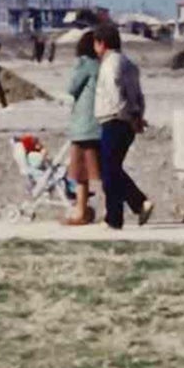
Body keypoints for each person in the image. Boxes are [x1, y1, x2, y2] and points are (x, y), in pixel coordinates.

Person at [91, 21, 152, 230]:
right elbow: (138, 95)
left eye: (95, 44)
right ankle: (130, 208)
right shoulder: (129, 63)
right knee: (112, 169)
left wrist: (127, 116)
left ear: (102, 43)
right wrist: (137, 116)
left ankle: (120, 214)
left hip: (114, 120)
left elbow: (116, 95)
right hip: (127, 121)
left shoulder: (110, 65)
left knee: (109, 172)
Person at [63, 29, 103, 226]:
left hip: (83, 124)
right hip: (99, 123)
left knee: (80, 173)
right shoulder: (102, 65)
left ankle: (80, 212)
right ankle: (94, 209)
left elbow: (71, 88)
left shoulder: (85, 64)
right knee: (100, 170)